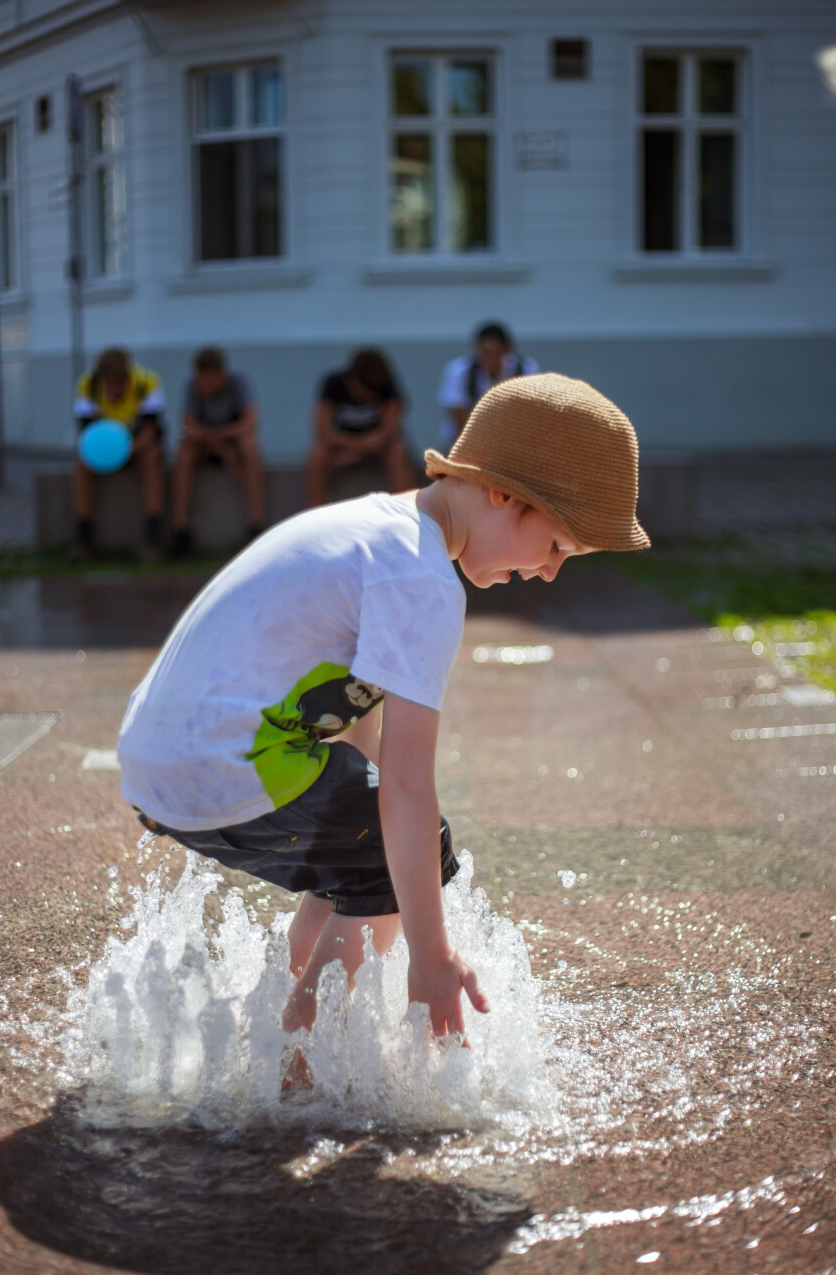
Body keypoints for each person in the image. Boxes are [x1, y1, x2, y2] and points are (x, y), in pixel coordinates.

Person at [118, 373, 649, 1072]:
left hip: (160, 757)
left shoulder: (381, 530)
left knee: (365, 848)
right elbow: (404, 789)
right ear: (505, 495)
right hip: (224, 761)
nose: (549, 573)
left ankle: (290, 997)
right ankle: (297, 1061)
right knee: (415, 847)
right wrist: (431, 953)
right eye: (555, 546)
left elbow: (360, 760)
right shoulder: (422, 579)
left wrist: (362, 893)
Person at [71, 347, 166, 561]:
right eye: (110, 384)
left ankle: (153, 532)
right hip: (103, 447)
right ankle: (83, 535)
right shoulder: (88, 386)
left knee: (152, 457)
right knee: (81, 461)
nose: (114, 389)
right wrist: (105, 453)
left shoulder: (147, 382)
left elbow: (150, 431)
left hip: (136, 446)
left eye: (118, 383)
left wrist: (126, 450)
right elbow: (87, 433)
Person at [171, 347, 265, 557]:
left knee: (249, 446)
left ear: (223, 375)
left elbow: (250, 424)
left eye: (211, 381)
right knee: (184, 454)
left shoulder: (238, 383)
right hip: (208, 446)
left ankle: (256, 524)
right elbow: (188, 428)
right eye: (202, 381)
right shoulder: (191, 386)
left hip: (230, 442)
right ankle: (181, 529)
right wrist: (224, 452)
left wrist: (219, 438)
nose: (206, 387)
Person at [305, 348, 415, 507]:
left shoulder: (390, 385)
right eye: (369, 390)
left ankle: (407, 510)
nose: (373, 396)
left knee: (398, 452)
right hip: (345, 443)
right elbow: (323, 431)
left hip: (378, 446)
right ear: (353, 381)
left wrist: (354, 455)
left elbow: (389, 430)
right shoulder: (333, 383)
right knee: (318, 455)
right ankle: (313, 513)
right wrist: (359, 444)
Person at [437, 322, 540, 451]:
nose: (492, 360)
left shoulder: (525, 369)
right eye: (487, 353)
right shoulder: (459, 371)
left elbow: (529, 414)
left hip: (513, 441)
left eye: (498, 353)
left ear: (508, 350)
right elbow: (459, 419)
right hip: (467, 441)